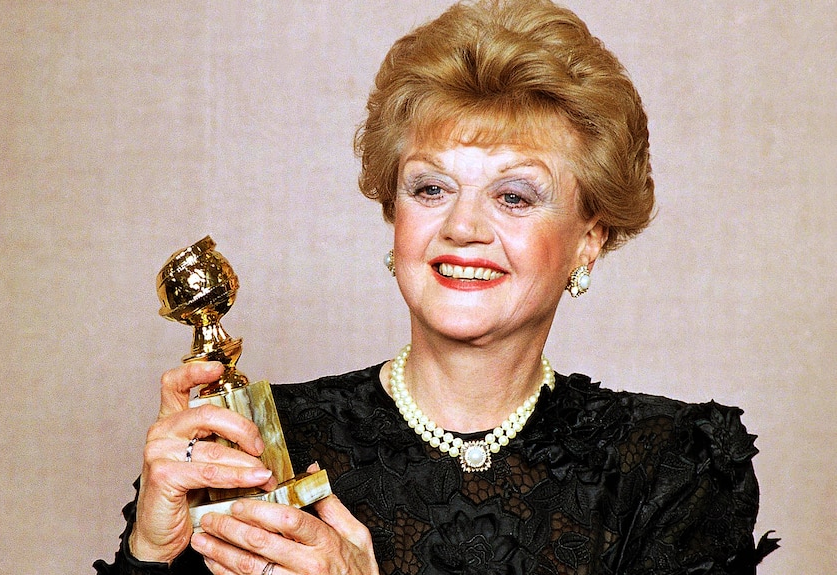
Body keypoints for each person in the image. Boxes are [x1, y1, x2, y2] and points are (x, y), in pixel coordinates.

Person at [96, 0, 778, 573]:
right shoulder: (260, 445)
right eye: (430, 188)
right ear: (396, 216)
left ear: (589, 236)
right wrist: (152, 553)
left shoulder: (675, 468)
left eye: (514, 196)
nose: (462, 226)